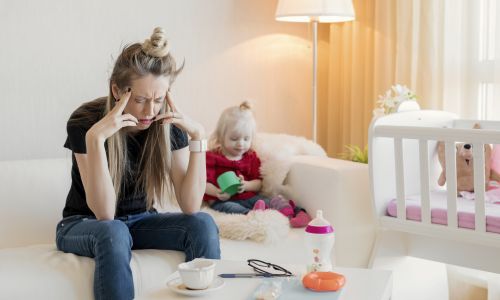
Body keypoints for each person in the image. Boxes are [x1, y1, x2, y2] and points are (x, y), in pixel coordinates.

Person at [56, 27, 220, 300]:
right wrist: (96, 140)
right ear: (117, 90)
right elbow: (105, 214)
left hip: (141, 221)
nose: (150, 111)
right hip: (84, 224)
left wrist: (198, 138)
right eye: (141, 99)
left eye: (158, 99)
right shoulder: (85, 121)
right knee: (114, 230)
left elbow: (190, 205)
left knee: (202, 223)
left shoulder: (168, 125)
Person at [204, 101, 312, 227]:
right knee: (228, 207)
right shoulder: (212, 157)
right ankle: (253, 214)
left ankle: (296, 212)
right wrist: (216, 192)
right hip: (224, 199)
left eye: (246, 139)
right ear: (221, 137)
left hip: (249, 197)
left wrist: (246, 185)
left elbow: (258, 184)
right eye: (234, 139)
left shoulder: (250, 157)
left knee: (271, 200)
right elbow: (203, 183)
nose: (240, 144)